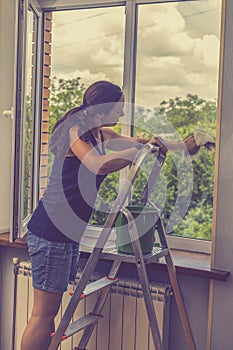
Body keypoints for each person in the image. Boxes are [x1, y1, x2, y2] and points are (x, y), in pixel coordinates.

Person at [20, 80, 199, 350]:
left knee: (51, 313)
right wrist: (138, 152)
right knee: (42, 315)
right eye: (119, 108)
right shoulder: (76, 131)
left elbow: (145, 143)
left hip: (68, 232)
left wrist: (183, 146)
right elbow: (97, 164)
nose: (123, 114)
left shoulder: (102, 133)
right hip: (51, 230)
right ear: (102, 109)